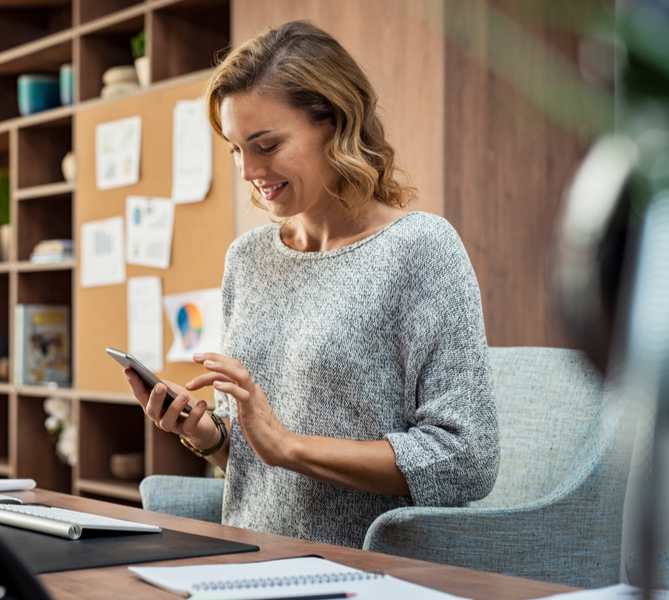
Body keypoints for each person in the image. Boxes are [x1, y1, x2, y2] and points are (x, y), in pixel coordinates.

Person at [123, 20, 499, 549]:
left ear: (336, 124)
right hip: (248, 561)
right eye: (234, 148)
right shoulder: (247, 259)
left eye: (267, 144)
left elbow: (467, 459)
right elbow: (260, 453)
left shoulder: (420, 249)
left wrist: (288, 446)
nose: (249, 169)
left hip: (367, 570)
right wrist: (209, 435)